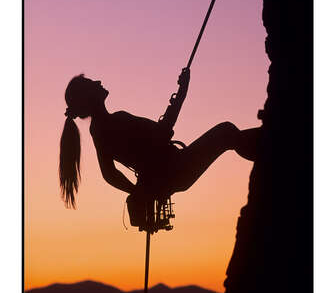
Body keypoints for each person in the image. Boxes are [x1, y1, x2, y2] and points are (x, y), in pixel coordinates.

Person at [59, 70, 261, 222]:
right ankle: (268, 148)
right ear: (88, 97)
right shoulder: (108, 125)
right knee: (225, 133)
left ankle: (266, 146)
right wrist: (139, 192)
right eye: (90, 83)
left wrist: (140, 191)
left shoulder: (103, 127)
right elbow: (162, 131)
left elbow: (110, 172)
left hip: (170, 174)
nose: (98, 81)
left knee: (226, 134)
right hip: (176, 170)